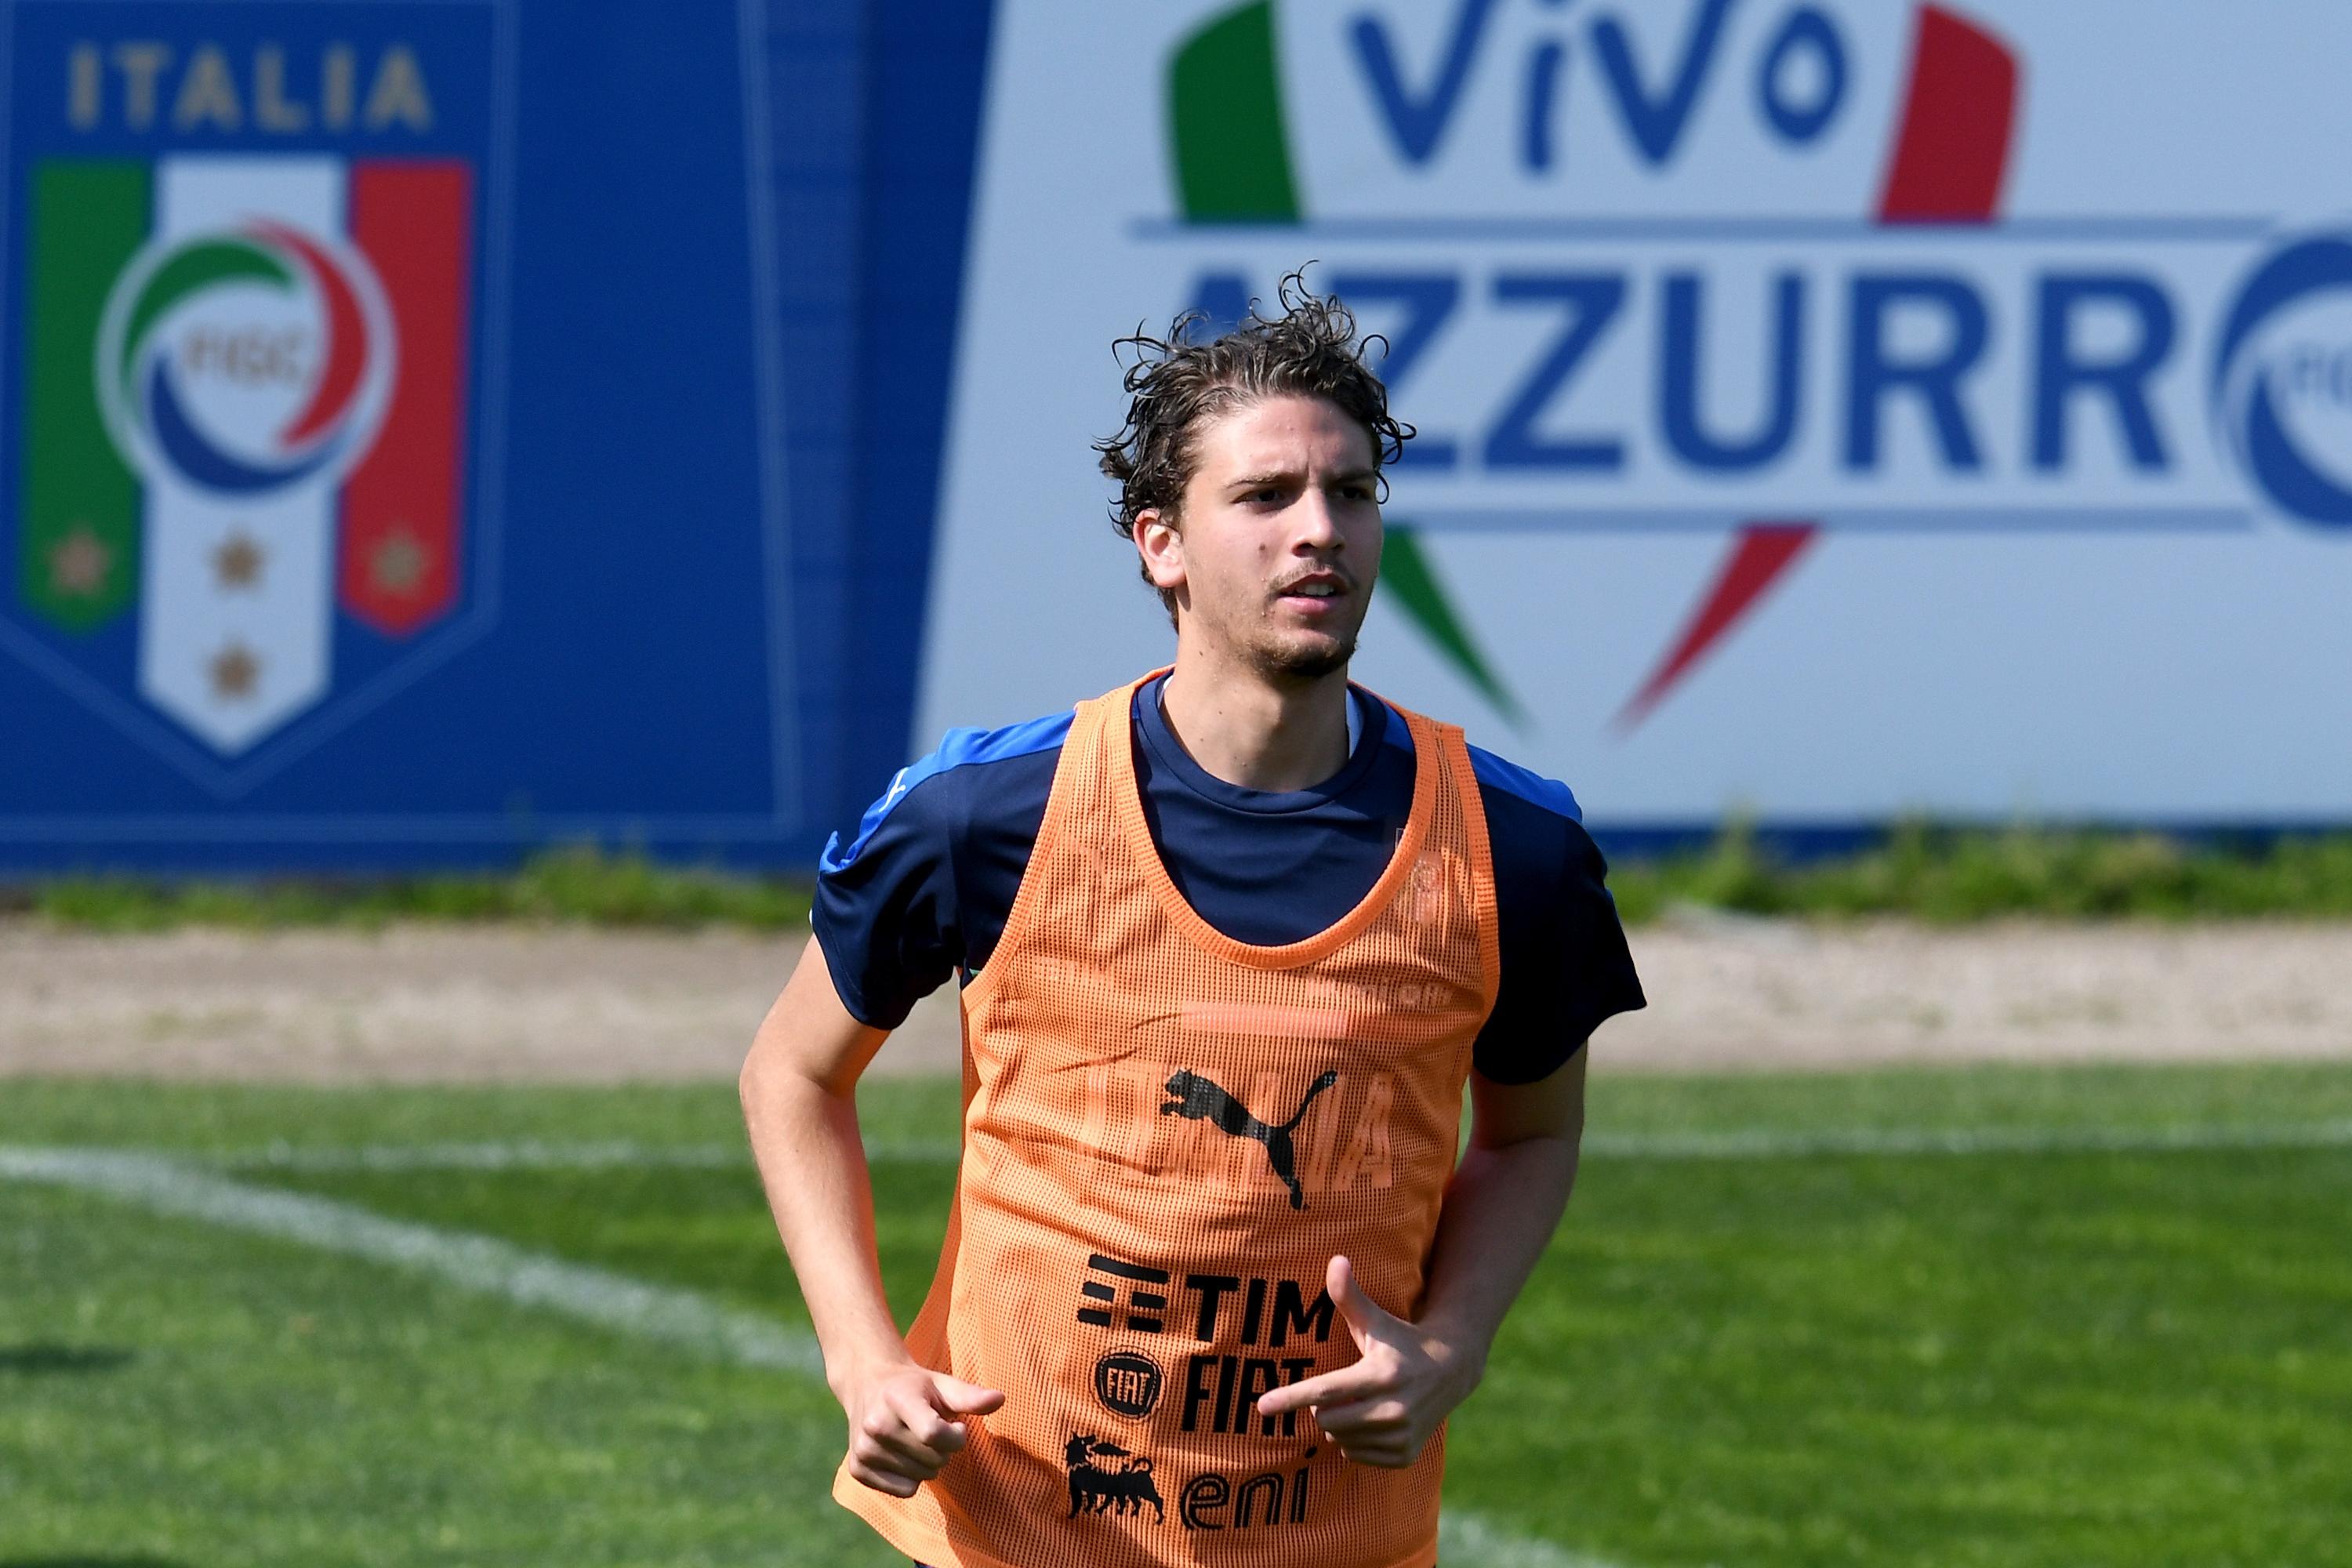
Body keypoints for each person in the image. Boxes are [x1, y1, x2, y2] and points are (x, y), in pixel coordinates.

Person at [739, 270, 1645, 1568]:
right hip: (1014, 1533)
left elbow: (1530, 1138)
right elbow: (790, 1075)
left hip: (1341, 1539)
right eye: (1266, 497)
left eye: (1350, 492)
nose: (1319, 529)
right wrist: (865, 1364)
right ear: (1160, 541)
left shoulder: (1518, 847)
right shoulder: (984, 814)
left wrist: (1450, 1345)